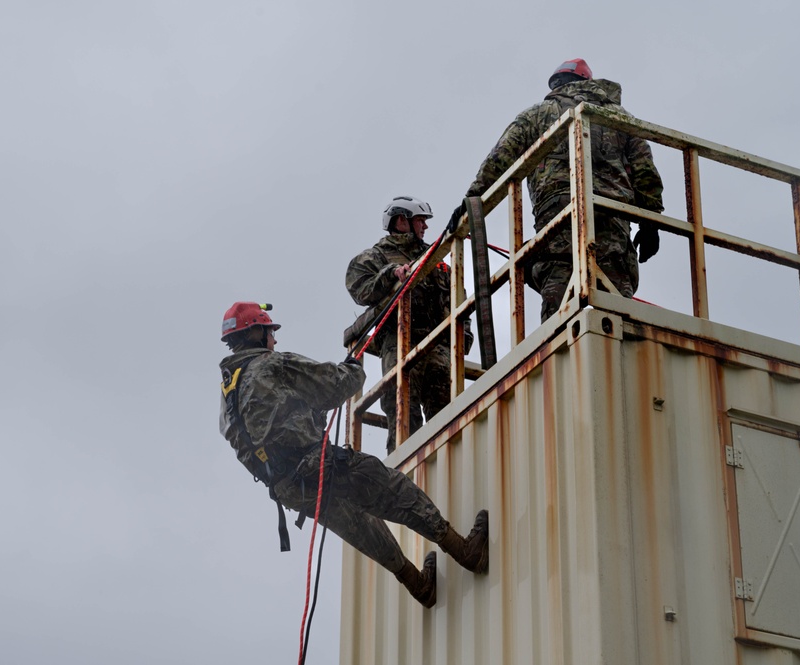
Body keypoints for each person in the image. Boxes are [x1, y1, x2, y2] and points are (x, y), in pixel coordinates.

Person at [218, 301, 488, 607]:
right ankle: (467, 552)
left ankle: (419, 586)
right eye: (270, 332)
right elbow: (338, 384)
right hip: (318, 466)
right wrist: (353, 367)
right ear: (255, 332)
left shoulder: (228, 396)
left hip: (290, 489)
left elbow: (264, 433)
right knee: (394, 490)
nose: (275, 340)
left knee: (359, 526)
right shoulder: (272, 366)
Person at [451, 58, 665, 321]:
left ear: (557, 85)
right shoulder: (620, 117)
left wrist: (474, 200)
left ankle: (564, 346)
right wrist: (650, 222)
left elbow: (501, 158)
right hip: (612, 217)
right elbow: (645, 172)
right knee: (616, 299)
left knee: (559, 296)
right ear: (589, 82)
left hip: (558, 217)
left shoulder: (538, 113)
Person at [346, 196, 470, 454]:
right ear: (402, 221)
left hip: (438, 344)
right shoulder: (374, 256)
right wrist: (390, 274)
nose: (425, 227)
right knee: (403, 415)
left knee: (448, 412)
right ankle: (404, 475)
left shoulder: (435, 255)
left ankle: (450, 467)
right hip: (399, 344)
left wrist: (463, 334)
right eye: (420, 221)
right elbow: (360, 290)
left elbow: (457, 294)